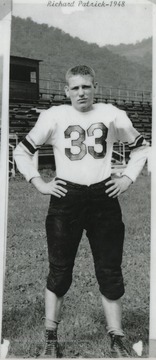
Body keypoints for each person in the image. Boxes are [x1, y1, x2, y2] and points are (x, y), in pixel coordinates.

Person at [14, 65, 149, 358]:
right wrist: (39, 182)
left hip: (103, 196)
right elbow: (21, 151)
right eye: (75, 88)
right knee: (60, 271)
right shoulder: (54, 116)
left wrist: (126, 179)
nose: (81, 93)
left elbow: (141, 148)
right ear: (66, 91)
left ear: (95, 86)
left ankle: (117, 335)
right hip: (66, 197)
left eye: (86, 86)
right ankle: (51, 335)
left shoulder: (112, 113)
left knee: (110, 270)